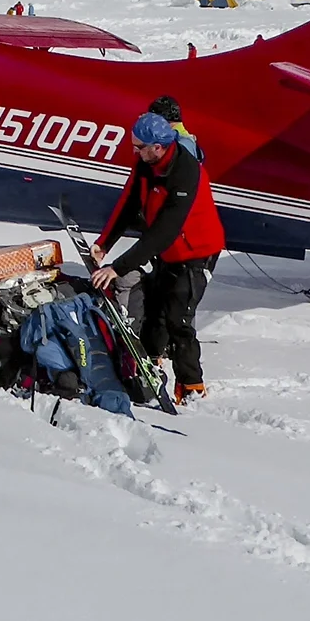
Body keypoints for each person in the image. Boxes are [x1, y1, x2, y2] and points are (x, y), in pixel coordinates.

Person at [90, 111, 226, 403]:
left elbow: (166, 229)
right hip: (168, 250)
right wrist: (105, 243)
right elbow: (129, 202)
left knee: (178, 319)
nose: (134, 152)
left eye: (139, 147)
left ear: (158, 146)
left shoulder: (186, 171)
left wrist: (119, 267)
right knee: (154, 309)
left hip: (196, 253)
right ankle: (151, 363)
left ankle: (191, 386)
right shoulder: (146, 162)